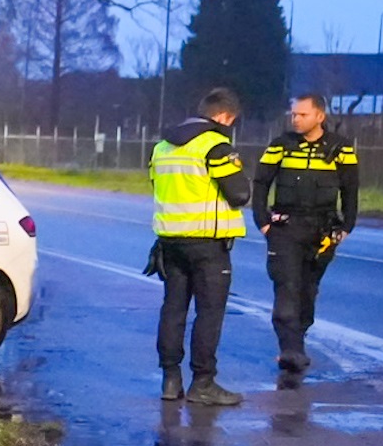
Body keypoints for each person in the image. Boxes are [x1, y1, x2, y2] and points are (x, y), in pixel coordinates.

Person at [149, 87, 251, 405]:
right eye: (230, 121)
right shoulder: (216, 147)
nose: (229, 127)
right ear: (222, 116)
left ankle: (170, 380)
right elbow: (239, 194)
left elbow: (159, 187)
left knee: (174, 310)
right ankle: (203, 383)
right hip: (207, 244)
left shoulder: (162, 147)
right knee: (209, 313)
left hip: (170, 243)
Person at [255, 93, 358, 375]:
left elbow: (350, 189)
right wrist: (263, 222)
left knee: (307, 290)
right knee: (286, 287)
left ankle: (297, 342)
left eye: (302, 114)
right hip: (285, 229)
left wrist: (347, 226)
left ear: (319, 116)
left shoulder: (341, 148)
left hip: (323, 231)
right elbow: (261, 183)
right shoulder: (281, 145)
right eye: (294, 114)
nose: (296, 119)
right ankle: (290, 350)